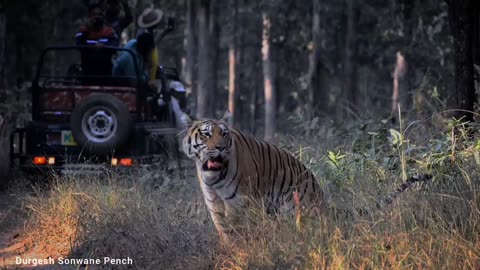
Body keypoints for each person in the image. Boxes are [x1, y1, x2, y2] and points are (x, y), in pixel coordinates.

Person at [76, 3, 119, 83]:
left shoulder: (109, 31)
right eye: (94, 14)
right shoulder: (83, 31)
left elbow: (115, 45)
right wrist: (92, 45)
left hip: (105, 74)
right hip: (87, 73)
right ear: (89, 16)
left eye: (99, 14)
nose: (97, 17)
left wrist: (104, 46)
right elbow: (79, 44)